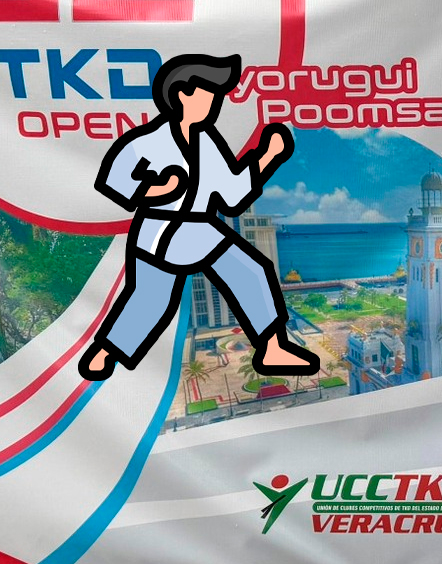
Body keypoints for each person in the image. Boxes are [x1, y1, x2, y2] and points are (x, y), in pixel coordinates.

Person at [78, 53, 317, 381]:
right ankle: (105, 352)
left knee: (251, 271)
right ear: (182, 94)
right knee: (151, 301)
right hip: (160, 228)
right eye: (208, 93)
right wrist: (157, 190)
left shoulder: (207, 143)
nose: (214, 101)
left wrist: (267, 157)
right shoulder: (149, 141)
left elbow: (233, 195)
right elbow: (115, 182)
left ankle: (272, 349)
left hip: (199, 227)